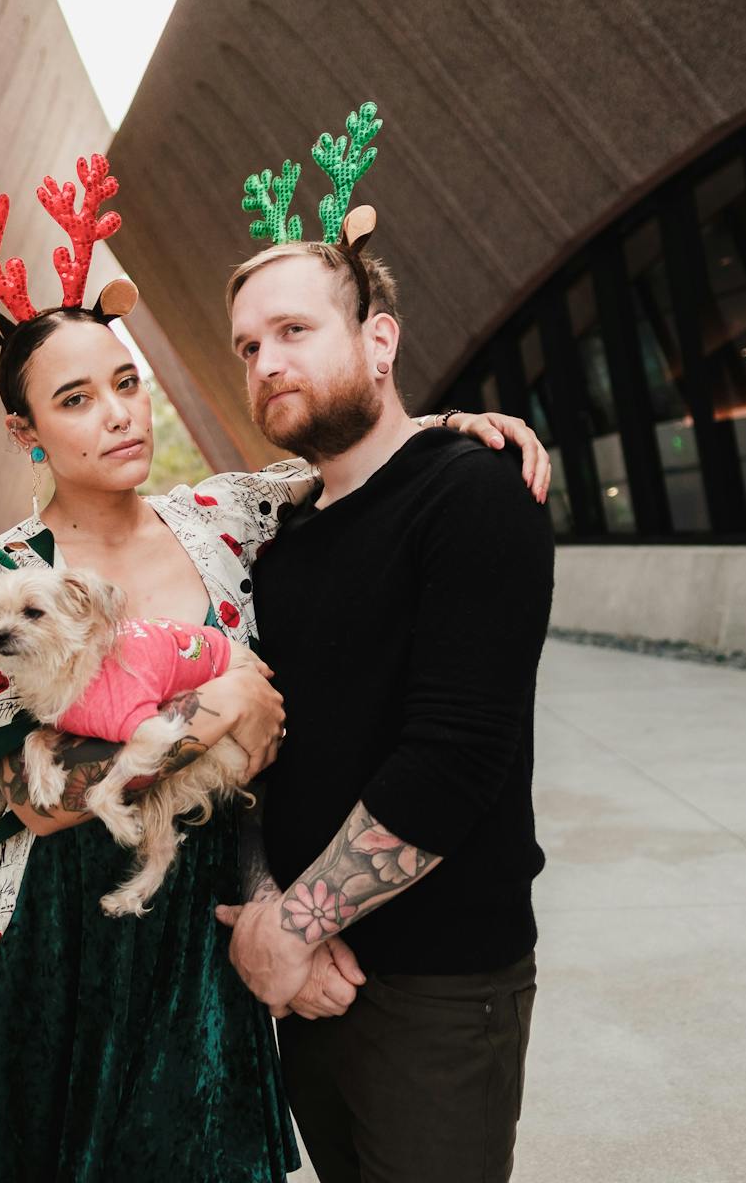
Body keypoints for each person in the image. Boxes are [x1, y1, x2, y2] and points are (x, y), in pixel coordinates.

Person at [0, 152, 549, 1182]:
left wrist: (452, 425)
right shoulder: (1, 576)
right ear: (25, 431)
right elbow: (27, 794)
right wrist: (210, 712)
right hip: (56, 933)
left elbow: (350, 458)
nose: (119, 413)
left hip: (206, 930)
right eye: (76, 399)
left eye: (126, 382)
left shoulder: (222, 519)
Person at [217, 107, 556, 1183]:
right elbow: (269, 758)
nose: (267, 360)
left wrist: (290, 927)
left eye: (294, 330)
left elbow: (453, 756)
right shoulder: (281, 542)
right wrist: (275, 916)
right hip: (317, 983)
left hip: (440, 987)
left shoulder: (471, 495)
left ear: (378, 339)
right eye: (248, 346)